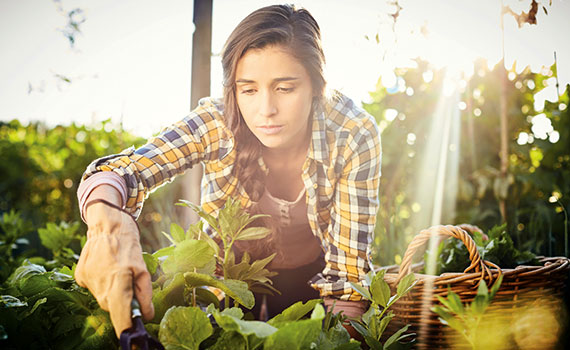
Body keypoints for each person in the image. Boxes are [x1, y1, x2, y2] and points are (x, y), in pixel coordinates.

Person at [74, 4, 381, 339]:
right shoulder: (217, 122)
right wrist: (106, 224)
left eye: (285, 88)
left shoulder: (353, 133)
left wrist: (339, 338)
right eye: (248, 89)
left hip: (313, 272)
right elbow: (125, 171)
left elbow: (346, 283)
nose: (267, 110)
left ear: (316, 86)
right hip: (230, 271)